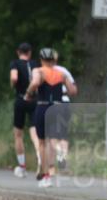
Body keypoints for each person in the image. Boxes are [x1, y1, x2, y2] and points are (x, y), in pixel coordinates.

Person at [25, 48, 77, 189]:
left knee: (42, 143)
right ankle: (59, 156)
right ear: (53, 60)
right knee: (53, 140)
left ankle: (46, 176)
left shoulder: (38, 71)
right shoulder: (61, 74)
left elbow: (35, 83)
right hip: (58, 108)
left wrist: (28, 94)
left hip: (43, 107)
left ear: (41, 59)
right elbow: (73, 91)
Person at [9, 43, 41, 178]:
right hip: (34, 100)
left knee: (18, 134)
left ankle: (22, 167)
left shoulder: (15, 63)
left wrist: (12, 85)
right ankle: (40, 157)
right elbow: (37, 81)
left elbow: (14, 77)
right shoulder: (34, 64)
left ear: (18, 52)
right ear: (30, 52)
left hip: (21, 99)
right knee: (35, 132)